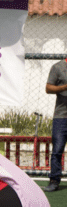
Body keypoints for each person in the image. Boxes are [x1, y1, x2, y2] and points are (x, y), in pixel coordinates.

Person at [44, 58, 67, 192]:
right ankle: (54, 181)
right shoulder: (58, 67)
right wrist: (65, 87)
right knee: (57, 150)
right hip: (61, 117)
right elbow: (48, 88)